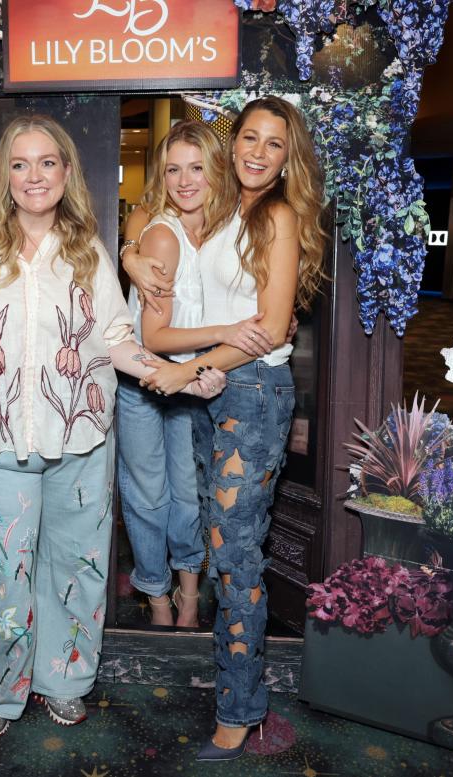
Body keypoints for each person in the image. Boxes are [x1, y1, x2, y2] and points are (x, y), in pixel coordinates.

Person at [0, 115, 223, 737]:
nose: (34, 175)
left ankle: (65, 678)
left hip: (79, 436)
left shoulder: (87, 249)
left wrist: (181, 373)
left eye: (48, 162)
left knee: (77, 566)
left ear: (67, 171)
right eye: (20, 164)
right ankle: (0, 687)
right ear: (4, 176)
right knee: (6, 570)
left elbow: (118, 340)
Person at [140, 96, 327, 761]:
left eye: (274, 145)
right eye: (250, 137)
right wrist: (137, 261)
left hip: (251, 393)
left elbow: (272, 330)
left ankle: (241, 708)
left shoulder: (277, 214)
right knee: (227, 552)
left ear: (286, 159)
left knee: (238, 555)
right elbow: (152, 214)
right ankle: (236, 689)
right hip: (219, 392)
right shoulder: (227, 210)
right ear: (234, 142)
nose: (258, 152)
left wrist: (183, 372)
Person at [116, 121, 281, 628]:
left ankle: (189, 592)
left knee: (188, 496)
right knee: (149, 499)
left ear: (217, 172)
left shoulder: (225, 223)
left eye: (196, 168)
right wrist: (228, 332)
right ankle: (159, 597)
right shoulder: (163, 236)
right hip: (144, 381)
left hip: (195, 381)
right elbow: (154, 338)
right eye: (172, 170)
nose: (185, 181)